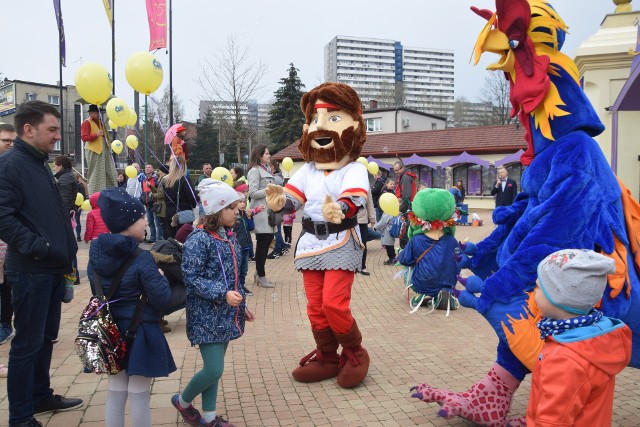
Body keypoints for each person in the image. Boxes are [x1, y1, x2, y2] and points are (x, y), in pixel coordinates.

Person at [265, 82, 371, 388]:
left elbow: (354, 200)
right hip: (311, 243)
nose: (320, 126)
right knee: (315, 306)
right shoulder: (308, 170)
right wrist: (279, 202)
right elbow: (292, 199)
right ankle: (327, 356)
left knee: (334, 304)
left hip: (340, 241)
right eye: (315, 119)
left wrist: (341, 208)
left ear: (355, 125)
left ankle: (355, 352)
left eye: (333, 118)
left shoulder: (353, 169)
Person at [0, 101, 82, 427]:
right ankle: (21, 416)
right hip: (31, 268)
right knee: (27, 344)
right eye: (52, 130)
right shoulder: (10, 165)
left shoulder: (38, 163)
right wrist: (39, 246)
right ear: (28, 129)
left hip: (50, 268)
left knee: (45, 339)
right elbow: (3, 216)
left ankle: (40, 395)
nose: (57, 137)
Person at [88, 187, 176, 427]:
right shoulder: (142, 258)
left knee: (115, 391)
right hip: (141, 332)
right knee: (139, 395)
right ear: (128, 222)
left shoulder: (95, 255)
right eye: (141, 219)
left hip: (110, 332)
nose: (145, 223)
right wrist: (161, 276)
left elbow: (98, 293)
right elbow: (163, 299)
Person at [173, 179, 255, 427]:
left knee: (214, 369)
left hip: (225, 314)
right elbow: (191, 278)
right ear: (217, 211)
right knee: (214, 369)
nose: (237, 210)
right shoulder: (199, 240)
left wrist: (242, 304)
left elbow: (234, 276)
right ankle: (183, 401)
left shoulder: (227, 236)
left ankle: (208, 417)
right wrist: (223, 294)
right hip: (206, 315)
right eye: (231, 207)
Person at [525, 249, 631, 426]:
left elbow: (552, 422)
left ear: (557, 296)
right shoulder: (593, 338)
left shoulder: (564, 360)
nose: (534, 292)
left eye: (538, 287)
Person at [398, 189, 460, 313]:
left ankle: (423, 294)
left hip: (424, 280)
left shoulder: (417, 240)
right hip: (447, 281)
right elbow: (459, 262)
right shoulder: (452, 241)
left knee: (409, 270)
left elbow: (405, 260)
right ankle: (446, 293)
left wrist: (401, 252)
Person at [149, 222, 194, 333]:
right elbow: (184, 277)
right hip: (155, 295)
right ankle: (156, 317)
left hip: (153, 293)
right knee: (191, 290)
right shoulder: (172, 254)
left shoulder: (164, 243)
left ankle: (158, 316)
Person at [247, 144, 277, 288]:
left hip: (269, 211)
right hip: (261, 212)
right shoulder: (254, 171)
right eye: (266, 153)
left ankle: (259, 273)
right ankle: (261, 274)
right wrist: (269, 190)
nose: (269, 155)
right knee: (262, 244)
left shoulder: (266, 169)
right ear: (259, 156)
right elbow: (252, 193)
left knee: (266, 244)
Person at [0, 123, 16, 346]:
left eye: (13, 141)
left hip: (6, 240)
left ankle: (5, 324)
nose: (11, 145)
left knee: (5, 287)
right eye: (6, 141)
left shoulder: (13, 168)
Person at [81, 104, 117, 194]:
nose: (99, 114)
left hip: (104, 149)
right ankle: (95, 194)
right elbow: (84, 137)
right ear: (91, 113)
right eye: (97, 112)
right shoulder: (87, 122)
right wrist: (96, 135)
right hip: (94, 150)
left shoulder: (100, 122)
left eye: (99, 112)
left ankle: (111, 191)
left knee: (109, 171)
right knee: (96, 174)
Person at [162, 156, 198, 239]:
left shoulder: (165, 181)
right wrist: (195, 201)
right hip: (183, 213)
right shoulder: (184, 179)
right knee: (183, 239)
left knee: (172, 237)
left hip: (169, 212)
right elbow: (192, 197)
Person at [394, 161, 417, 250]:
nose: (396, 173)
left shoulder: (406, 177)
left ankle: (405, 252)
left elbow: (407, 195)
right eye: (394, 171)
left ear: (402, 168)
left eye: (397, 170)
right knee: (407, 230)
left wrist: (401, 209)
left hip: (407, 208)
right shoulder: (406, 176)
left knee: (404, 231)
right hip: (409, 207)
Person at [268, 159, 288, 259]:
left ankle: (277, 251)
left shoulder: (275, 179)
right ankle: (283, 247)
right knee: (277, 229)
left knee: (277, 230)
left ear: (272, 167)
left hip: (276, 206)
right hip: (278, 206)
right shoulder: (279, 177)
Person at [140, 164, 161, 243]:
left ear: (152, 169)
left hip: (154, 203)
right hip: (147, 203)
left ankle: (159, 239)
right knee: (150, 222)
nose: (147, 169)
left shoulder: (155, 179)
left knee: (157, 222)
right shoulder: (143, 179)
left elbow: (158, 190)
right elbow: (143, 190)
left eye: (149, 167)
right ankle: (153, 238)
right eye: (146, 167)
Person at [356, 192, 376, 276]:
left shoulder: (364, 184)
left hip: (362, 221)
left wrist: (372, 219)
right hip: (347, 220)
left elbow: (370, 203)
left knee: (363, 244)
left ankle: (362, 267)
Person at [75, 173, 88, 242]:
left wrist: (81, 206)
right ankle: (78, 236)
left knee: (76, 221)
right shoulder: (80, 186)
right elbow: (83, 196)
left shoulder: (79, 186)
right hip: (76, 206)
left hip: (75, 206)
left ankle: (78, 236)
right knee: (77, 221)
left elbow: (83, 196)